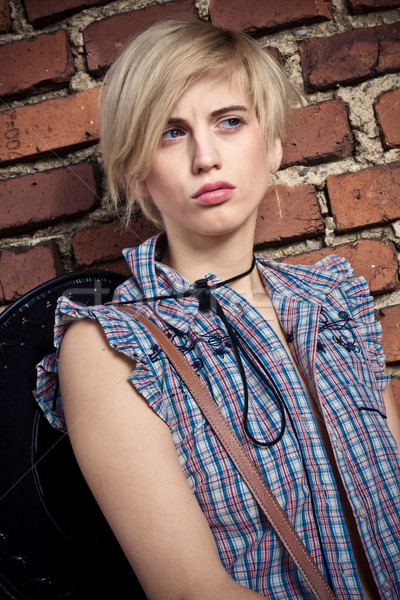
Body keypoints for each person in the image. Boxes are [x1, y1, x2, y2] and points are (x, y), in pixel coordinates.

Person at [35, 19, 400, 599]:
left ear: (275, 145)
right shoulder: (112, 344)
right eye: (170, 133)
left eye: (230, 122)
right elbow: (191, 592)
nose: (206, 156)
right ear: (137, 170)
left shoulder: (335, 302)